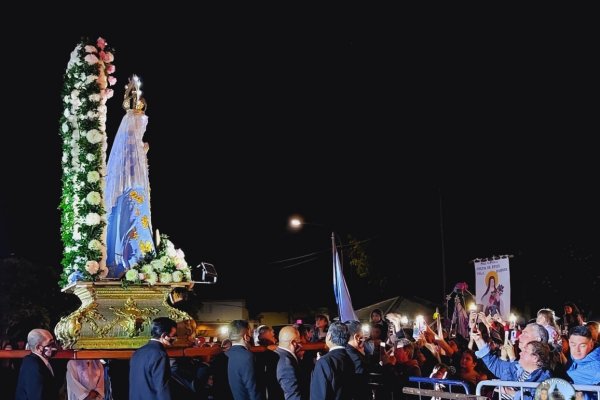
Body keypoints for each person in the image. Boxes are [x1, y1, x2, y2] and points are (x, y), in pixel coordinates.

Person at [104, 75, 155, 279]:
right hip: (131, 190)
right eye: (139, 124)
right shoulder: (129, 145)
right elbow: (129, 169)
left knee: (139, 222)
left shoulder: (137, 146)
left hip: (138, 190)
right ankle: (134, 262)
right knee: (131, 222)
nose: (141, 128)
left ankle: (143, 261)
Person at [129, 317, 177, 400]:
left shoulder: (138, 352)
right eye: (173, 336)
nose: (175, 339)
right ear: (164, 336)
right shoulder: (160, 354)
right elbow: (162, 387)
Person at [309, 321, 354, 400]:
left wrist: (321, 363)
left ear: (329, 336)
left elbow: (318, 395)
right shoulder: (350, 358)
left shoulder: (324, 362)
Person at [15, 328, 59, 400]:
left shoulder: (35, 361)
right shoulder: (33, 366)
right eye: (50, 343)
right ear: (38, 347)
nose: (54, 346)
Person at [226, 320, 263, 400]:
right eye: (251, 334)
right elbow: (252, 388)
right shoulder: (247, 356)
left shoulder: (226, 354)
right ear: (246, 337)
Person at [275, 325, 305, 400]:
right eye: (299, 342)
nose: (301, 345)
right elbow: (293, 395)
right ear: (293, 343)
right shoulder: (287, 364)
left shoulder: (277, 354)